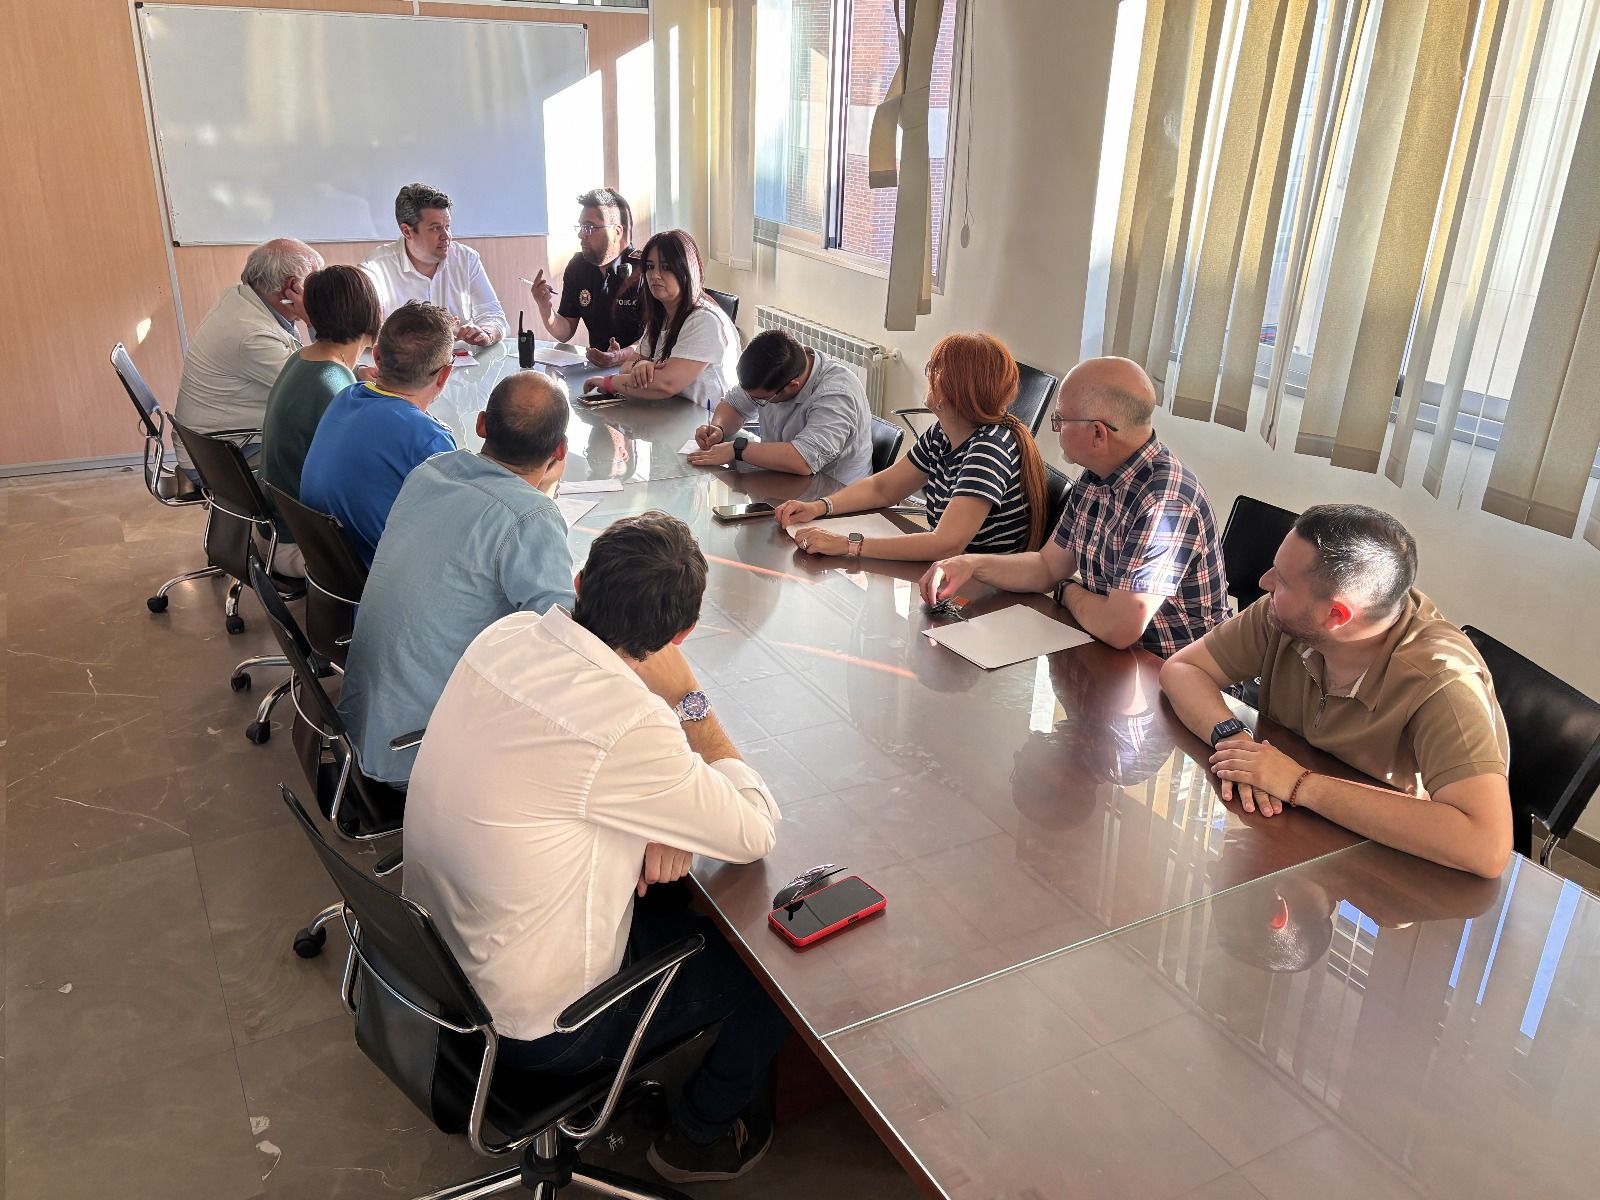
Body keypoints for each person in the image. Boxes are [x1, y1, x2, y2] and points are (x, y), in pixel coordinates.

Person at [404, 512, 788, 1184]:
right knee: (775, 969)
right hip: (542, 1032)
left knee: (677, 889)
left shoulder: (509, 635)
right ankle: (700, 1133)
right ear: (681, 636)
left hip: (435, 965)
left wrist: (662, 815)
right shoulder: (632, 726)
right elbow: (754, 830)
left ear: (580, 582)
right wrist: (689, 701)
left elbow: (555, 777)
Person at [1158, 504, 1513, 879]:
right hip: (1286, 835)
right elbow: (1182, 669)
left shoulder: (1443, 683)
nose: (1265, 582)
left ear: (1337, 616)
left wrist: (1299, 784)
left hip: (1382, 871)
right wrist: (1232, 738)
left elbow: (1485, 846)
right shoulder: (1285, 617)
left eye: (1283, 580)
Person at [338, 371, 576, 786]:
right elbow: (565, 649)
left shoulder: (432, 471)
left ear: (482, 425)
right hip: (416, 752)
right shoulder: (530, 518)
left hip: (362, 723)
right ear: (560, 450)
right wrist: (543, 497)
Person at [918, 357, 1230, 655]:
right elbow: (1047, 567)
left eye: (1060, 420)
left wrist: (1067, 590)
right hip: (1107, 653)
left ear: (1097, 432)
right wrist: (970, 564)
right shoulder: (1097, 476)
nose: (1055, 429)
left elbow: (1119, 628)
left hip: (1165, 674)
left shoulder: (1165, 506)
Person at [774, 332, 1049, 561]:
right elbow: (882, 488)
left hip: (984, 590)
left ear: (953, 390)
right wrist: (820, 507)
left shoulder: (989, 449)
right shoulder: (944, 433)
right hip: (952, 572)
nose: (928, 374)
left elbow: (946, 543)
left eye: (935, 368)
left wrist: (849, 544)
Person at [300, 301, 457, 565]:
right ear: (445, 375)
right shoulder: (427, 440)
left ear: (377, 357)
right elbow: (456, 534)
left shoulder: (346, 396)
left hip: (330, 581)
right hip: (385, 589)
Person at [259, 265, 384, 569]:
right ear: (372, 314)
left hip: (274, 531)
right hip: (302, 546)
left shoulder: (303, 359)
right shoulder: (335, 390)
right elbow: (359, 482)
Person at [173, 238, 323, 474]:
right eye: (316, 283)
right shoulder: (252, 334)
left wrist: (356, 371)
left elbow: (307, 368)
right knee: (336, 457)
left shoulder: (242, 296)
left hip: (216, 444)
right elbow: (316, 390)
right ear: (293, 288)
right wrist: (315, 320)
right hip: (226, 459)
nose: (321, 293)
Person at [686, 329, 874, 484]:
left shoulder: (836, 394)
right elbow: (734, 404)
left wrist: (737, 449)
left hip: (834, 498)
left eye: (761, 399)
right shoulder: (773, 370)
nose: (754, 401)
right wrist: (718, 428)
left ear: (793, 386)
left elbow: (803, 460)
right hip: (784, 481)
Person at [582, 229, 740, 409]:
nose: (655, 275)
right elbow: (626, 366)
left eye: (666, 267)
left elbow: (665, 384)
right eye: (649, 267)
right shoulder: (663, 314)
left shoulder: (704, 321)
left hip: (710, 426)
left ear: (686, 269)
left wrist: (608, 383)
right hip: (672, 416)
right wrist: (641, 364)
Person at [362, 183, 507, 346]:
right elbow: (365, 330)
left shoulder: (466, 259)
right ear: (407, 231)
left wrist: (486, 333)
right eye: (435, 228)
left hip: (460, 363)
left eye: (447, 227)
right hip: (402, 367)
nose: (446, 237)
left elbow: (494, 316)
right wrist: (427, 335)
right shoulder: (376, 266)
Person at [527, 187, 644, 364]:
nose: (581, 235)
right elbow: (565, 331)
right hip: (596, 369)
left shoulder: (645, 269)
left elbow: (655, 339)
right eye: (581, 227)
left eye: (589, 227)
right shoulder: (578, 267)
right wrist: (545, 308)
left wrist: (618, 356)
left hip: (639, 370)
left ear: (617, 232)